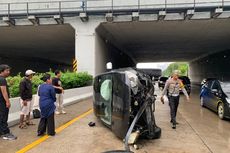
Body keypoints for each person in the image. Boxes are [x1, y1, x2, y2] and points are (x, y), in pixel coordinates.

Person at [0, 64, 17, 140]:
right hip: (2, 102)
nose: (9, 72)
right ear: (2, 71)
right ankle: (6, 134)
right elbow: (4, 92)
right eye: (7, 70)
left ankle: (1, 132)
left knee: (1, 117)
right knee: (4, 117)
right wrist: (7, 102)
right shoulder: (2, 79)